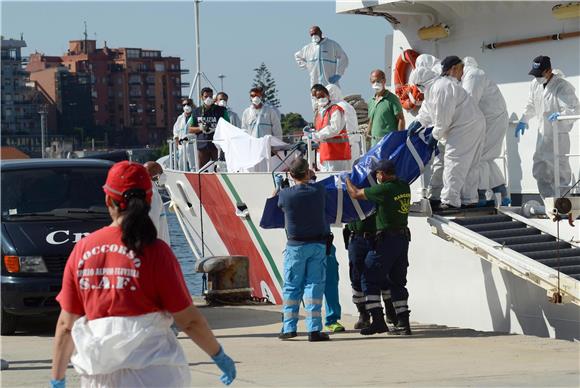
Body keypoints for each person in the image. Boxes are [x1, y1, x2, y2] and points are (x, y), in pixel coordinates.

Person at [50, 161, 236, 387]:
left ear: (108, 200)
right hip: (156, 374)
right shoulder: (157, 251)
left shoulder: (83, 249)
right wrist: (218, 355)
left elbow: (66, 325)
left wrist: (57, 378)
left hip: (99, 377)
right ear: (149, 200)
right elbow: (189, 321)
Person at [408, 56, 485, 209]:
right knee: (470, 164)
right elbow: (428, 110)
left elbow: (443, 119)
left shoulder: (440, 88)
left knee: (453, 160)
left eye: (418, 86)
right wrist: (419, 121)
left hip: (464, 126)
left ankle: (450, 201)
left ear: (422, 82)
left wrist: (435, 136)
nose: (418, 90)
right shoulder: (434, 88)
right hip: (474, 123)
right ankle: (469, 199)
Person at [345, 160, 412, 335]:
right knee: (397, 282)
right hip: (402, 239)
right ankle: (403, 324)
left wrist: (346, 179)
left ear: (382, 174)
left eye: (377, 174)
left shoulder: (384, 190)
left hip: (387, 240)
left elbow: (355, 193)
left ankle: (378, 320)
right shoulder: (403, 186)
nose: (376, 176)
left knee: (368, 277)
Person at [276, 158, 330, 342]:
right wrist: (312, 177)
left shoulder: (285, 195)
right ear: (308, 172)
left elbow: (278, 204)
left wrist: (280, 187)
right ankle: (314, 330)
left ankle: (289, 328)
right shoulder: (319, 191)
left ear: (291, 175)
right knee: (314, 286)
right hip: (317, 245)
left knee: (292, 287)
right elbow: (316, 186)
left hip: (295, 246)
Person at [515, 55, 580, 198]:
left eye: (540, 74)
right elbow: (531, 104)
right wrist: (524, 119)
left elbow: (574, 108)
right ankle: (549, 203)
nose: (537, 77)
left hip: (559, 135)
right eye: (535, 74)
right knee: (540, 168)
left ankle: (564, 203)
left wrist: (561, 117)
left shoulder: (562, 86)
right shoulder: (535, 84)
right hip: (542, 134)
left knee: (560, 169)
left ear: (549, 70)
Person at [462, 57, 510, 206]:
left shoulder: (473, 75)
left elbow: (469, 103)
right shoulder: (475, 74)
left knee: (479, 157)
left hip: (492, 121)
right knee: (487, 157)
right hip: (493, 120)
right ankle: (501, 191)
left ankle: (480, 195)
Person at [295, 25, 349, 110]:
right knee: (317, 106)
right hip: (315, 84)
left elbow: (344, 58)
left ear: (320, 33)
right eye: (312, 34)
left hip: (329, 82)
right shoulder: (308, 48)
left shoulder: (332, 45)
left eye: (315, 33)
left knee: (334, 105)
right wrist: (307, 66)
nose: (314, 36)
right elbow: (297, 56)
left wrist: (339, 73)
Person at [307, 84, 351, 172]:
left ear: (328, 95)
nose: (320, 99)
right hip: (324, 154)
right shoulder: (319, 113)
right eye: (317, 97)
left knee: (338, 182)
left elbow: (334, 128)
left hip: (337, 155)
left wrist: (317, 135)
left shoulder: (336, 110)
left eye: (322, 96)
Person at [190, 87, 230, 168]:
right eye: (206, 96)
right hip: (202, 146)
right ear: (201, 97)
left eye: (210, 96)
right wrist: (200, 128)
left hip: (217, 146)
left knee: (219, 169)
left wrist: (217, 128)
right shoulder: (196, 111)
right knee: (202, 171)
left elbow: (228, 126)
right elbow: (190, 129)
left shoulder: (221, 110)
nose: (208, 98)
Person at [368, 69, 405, 146]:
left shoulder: (392, 99)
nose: (376, 84)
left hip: (388, 144)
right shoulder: (371, 101)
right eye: (373, 81)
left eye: (378, 81)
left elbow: (401, 119)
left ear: (384, 81)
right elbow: (371, 121)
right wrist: (367, 136)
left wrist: (399, 139)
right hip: (374, 145)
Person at [327, 84, 363, 161]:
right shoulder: (347, 106)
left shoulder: (338, 107)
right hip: (353, 145)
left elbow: (340, 127)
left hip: (346, 146)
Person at [144, 161, 170, 245]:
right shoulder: (152, 194)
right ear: (155, 175)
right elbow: (152, 225)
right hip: (158, 250)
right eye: (161, 172)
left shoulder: (151, 192)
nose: (162, 175)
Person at [172, 98, 196, 171]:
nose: (186, 106)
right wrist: (177, 143)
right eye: (184, 104)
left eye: (188, 104)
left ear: (192, 105)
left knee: (193, 165)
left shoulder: (195, 116)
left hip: (192, 144)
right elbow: (175, 131)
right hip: (181, 145)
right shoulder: (180, 118)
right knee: (181, 165)